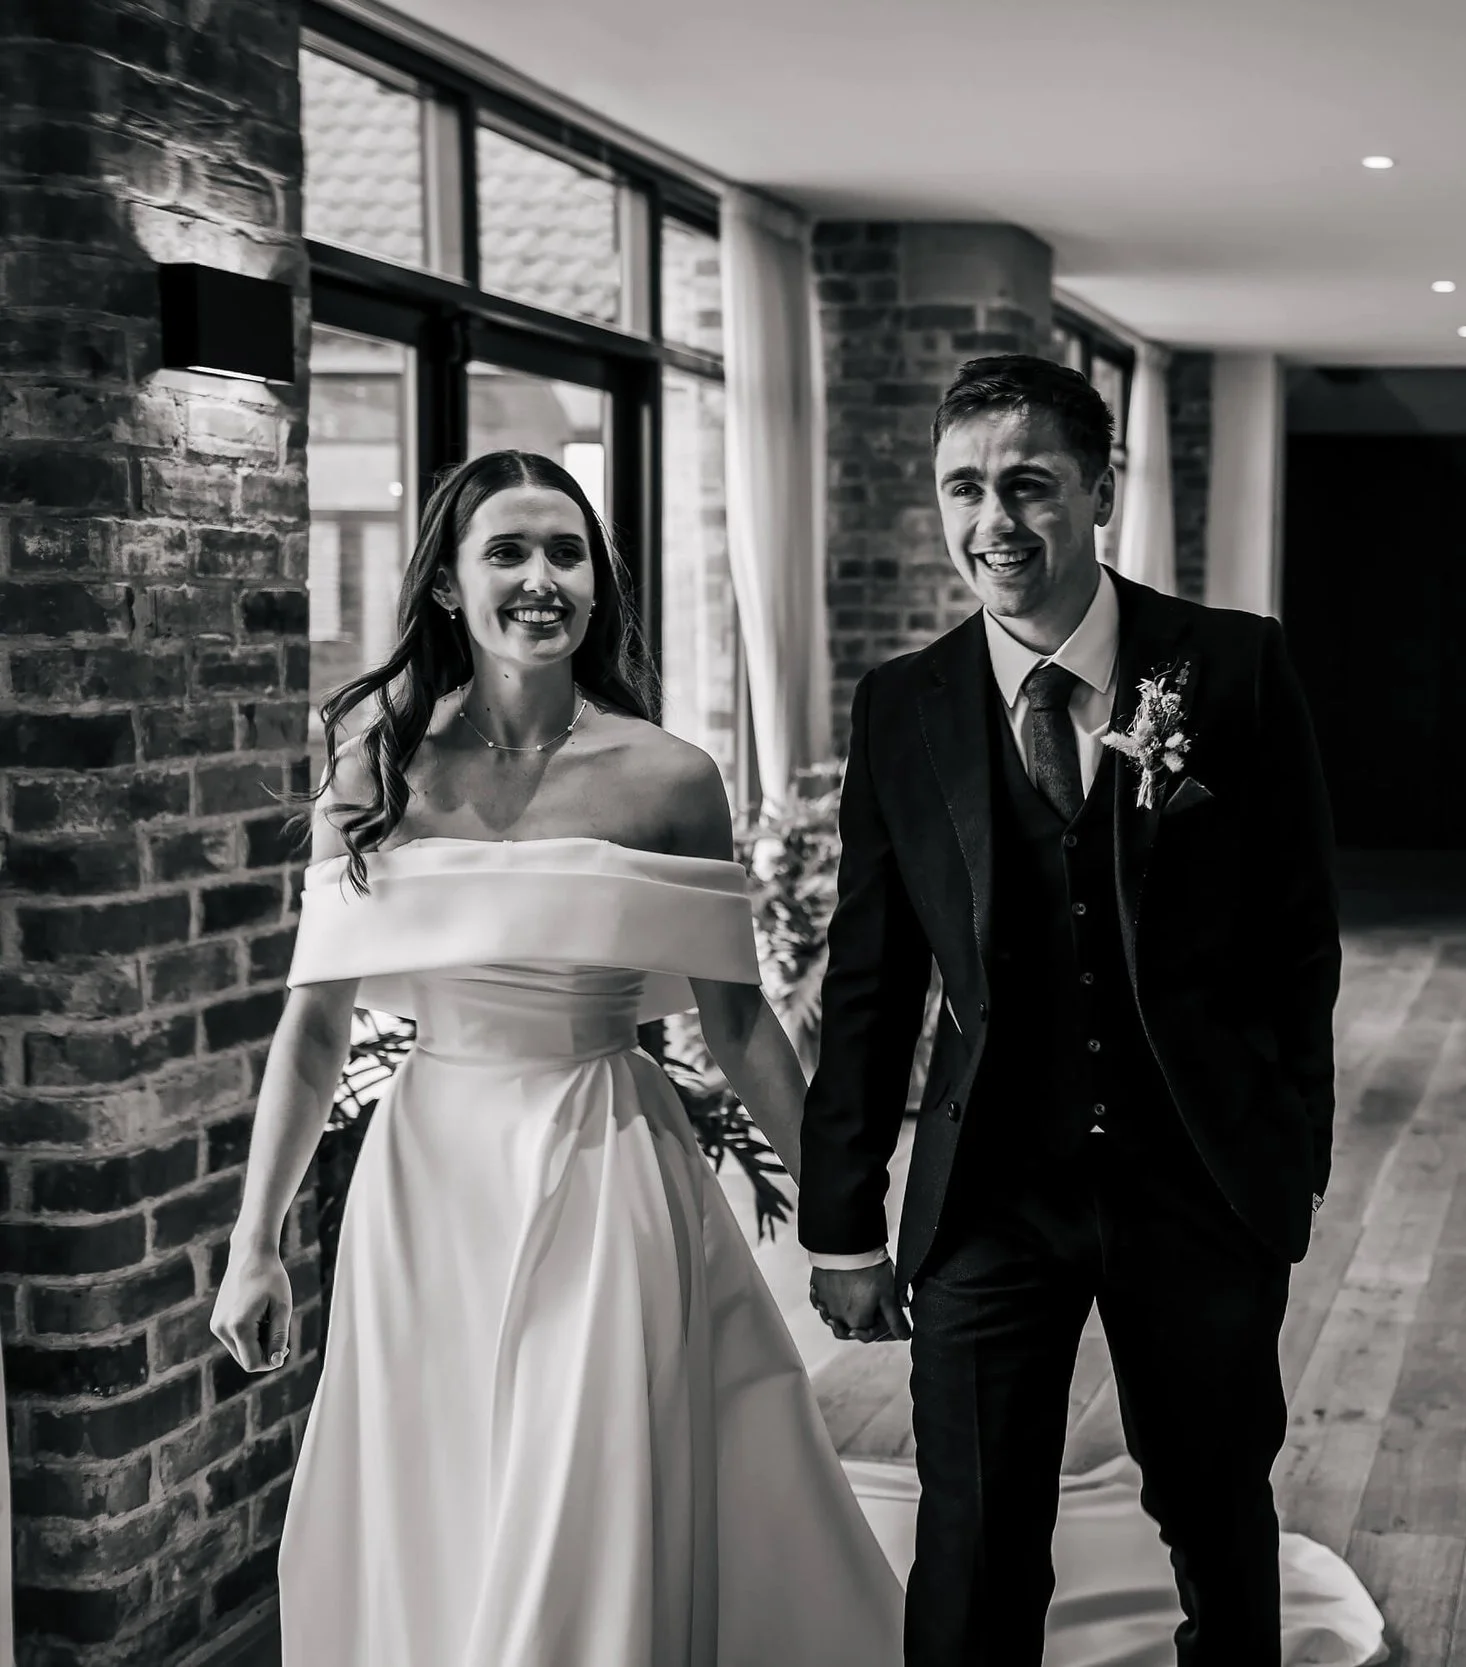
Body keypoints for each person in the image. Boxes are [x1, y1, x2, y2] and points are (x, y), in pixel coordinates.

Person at [209, 451, 907, 1664]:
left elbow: (735, 1025)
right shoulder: (375, 762)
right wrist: (253, 1245)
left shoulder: (670, 776)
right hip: (428, 1181)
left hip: (606, 1163)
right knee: (447, 1487)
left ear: (599, 583)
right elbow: (314, 1023)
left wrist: (849, 1227)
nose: (542, 578)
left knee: (585, 1483)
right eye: (508, 551)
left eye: (567, 551)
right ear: (445, 587)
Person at [801, 356, 1342, 1666]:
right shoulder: (903, 706)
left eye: (1031, 485)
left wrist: (1284, 1154)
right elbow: (869, 974)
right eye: (966, 487)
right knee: (976, 1531)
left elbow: (1297, 942)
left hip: (1198, 1181)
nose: (997, 519)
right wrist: (841, 1219)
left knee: (1213, 1507)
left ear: (1101, 488)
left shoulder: (1235, 668)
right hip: (990, 1189)